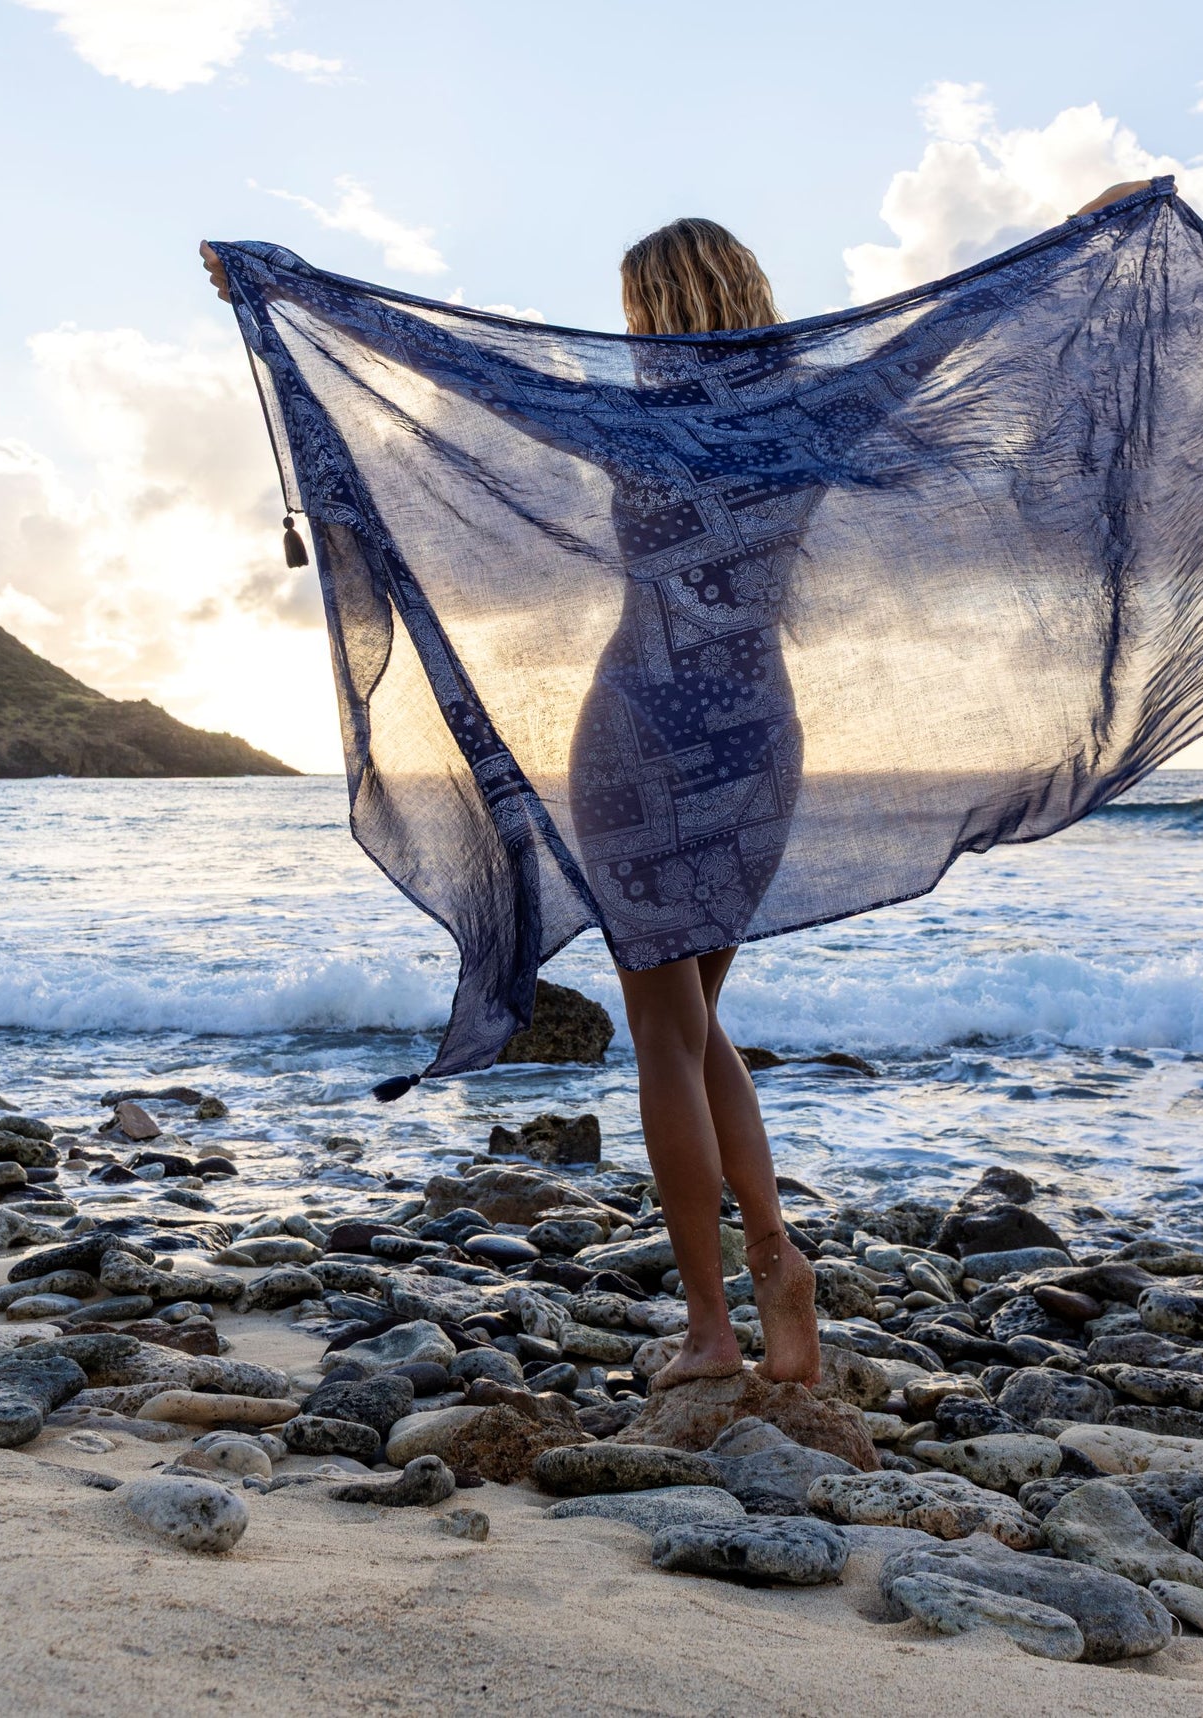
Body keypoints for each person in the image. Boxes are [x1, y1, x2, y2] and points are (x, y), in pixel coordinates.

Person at [198, 176, 1149, 1391]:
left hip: (641, 727)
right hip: (758, 732)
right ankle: (778, 1265)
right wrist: (1081, 234)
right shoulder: (817, 412)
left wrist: (284, 287)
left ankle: (711, 1326)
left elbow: (433, 357)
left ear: (646, 311)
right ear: (749, 293)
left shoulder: (626, 416)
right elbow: (950, 330)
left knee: (663, 1032)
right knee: (697, 1024)